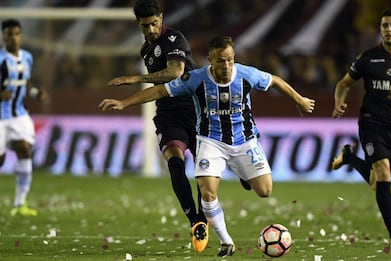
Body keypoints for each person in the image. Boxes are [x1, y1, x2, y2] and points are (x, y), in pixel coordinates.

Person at [99, 35, 315, 257]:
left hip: (245, 141)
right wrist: (124, 102)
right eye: (221, 60)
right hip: (211, 142)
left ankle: (240, 170)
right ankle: (226, 242)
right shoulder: (196, 79)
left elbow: (275, 81)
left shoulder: (247, 74)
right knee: (207, 193)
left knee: (265, 191)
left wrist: (299, 99)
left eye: (230, 59)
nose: (227, 65)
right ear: (210, 59)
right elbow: (160, 91)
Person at [107, 0, 208, 252]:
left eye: (154, 23)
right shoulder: (146, 49)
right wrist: (124, 103)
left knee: (203, 171)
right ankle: (195, 220)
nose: (151, 29)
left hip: (193, 109)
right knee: (174, 161)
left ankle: (203, 219)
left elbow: (175, 73)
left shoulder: (174, 39)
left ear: (161, 18)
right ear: (138, 25)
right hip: (167, 112)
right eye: (145, 25)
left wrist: (134, 78)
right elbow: (161, 90)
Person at [331, 8, 391, 246]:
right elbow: (343, 83)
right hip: (371, 123)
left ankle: (350, 158)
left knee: (379, 183)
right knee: (383, 173)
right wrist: (339, 102)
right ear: (380, 29)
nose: (388, 30)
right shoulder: (368, 58)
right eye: (385, 25)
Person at [0, 19, 47, 216]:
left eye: (17, 33)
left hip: (19, 114)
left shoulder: (27, 57)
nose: (13, 37)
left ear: (21, 36)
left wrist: (36, 93)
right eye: (9, 34)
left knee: (25, 150)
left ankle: (21, 204)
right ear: (3, 36)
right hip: (1, 117)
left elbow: (25, 84)